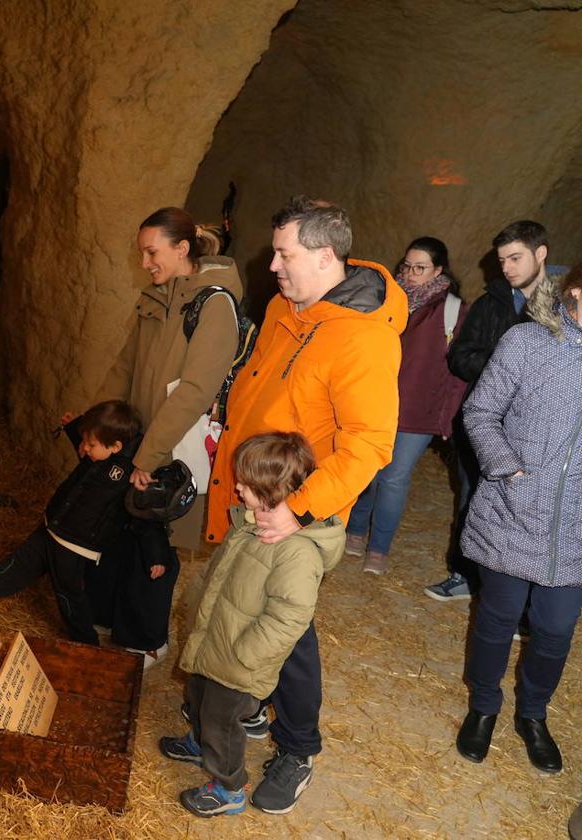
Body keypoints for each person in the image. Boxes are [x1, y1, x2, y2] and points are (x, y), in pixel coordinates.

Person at [204, 196, 405, 815]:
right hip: (253, 496)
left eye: (285, 254)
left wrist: (299, 508)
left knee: (290, 630)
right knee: (243, 606)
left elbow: (370, 445)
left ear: (324, 256)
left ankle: (298, 748)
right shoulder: (284, 307)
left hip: (292, 509)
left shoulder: (363, 340)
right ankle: (240, 713)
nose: (274, 267)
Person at [76, 207, 243, 664]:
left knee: (156, 541)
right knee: (125, 528)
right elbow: (125, 365)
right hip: (141, 439)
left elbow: (195, 390)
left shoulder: (214, 305)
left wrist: (149, 455)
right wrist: (96, 423)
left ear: (181, 248)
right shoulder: (157, 297)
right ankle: (110, 621)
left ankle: (147, 640)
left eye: (152, 252)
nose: (145, 262)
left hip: (171, 448)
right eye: (142, 254)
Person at [159, 432, 344, 817]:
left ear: (275, 492)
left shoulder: (297, 552)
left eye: (246, 483)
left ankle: (227, 789)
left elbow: (290, 615)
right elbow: (220, 572)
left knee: (222, 722)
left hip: (239, 660)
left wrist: (246, 653)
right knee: (199, 698)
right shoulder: (248, 524)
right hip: (216, 640)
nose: (238, 487)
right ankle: (199, 743)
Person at [453, 264, 582, 775]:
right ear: (576, 290)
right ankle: (483, 706)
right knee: (498, 618)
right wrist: (507, 469)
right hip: (514, 506)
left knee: (555, 628)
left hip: (575, 523)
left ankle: (533, 714)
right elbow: (480, 412)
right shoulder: (528, 341)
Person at [424, 221, 550, 601]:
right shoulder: (490, 303)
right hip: (485, 424)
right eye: (502, 260)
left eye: (516, 257)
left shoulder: (564, 306)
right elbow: (460, 356)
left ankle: (521, 599)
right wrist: (504, 368)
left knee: (530, 512)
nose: (508, 267)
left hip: (537, 429)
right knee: (472, 500)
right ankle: (463, 575)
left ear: (540, 253)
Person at [0, 400, 141, 646]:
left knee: (68, 595)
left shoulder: (127, 471)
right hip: (54, 527)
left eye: (90, 444)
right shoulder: (96, 455)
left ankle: (87, 644)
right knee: (18, 564)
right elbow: (87, 451)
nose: (85, 448)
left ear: (116, 446)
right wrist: (74, 430)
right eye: (84, 441)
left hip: (74, 544)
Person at [345, 237, 469, 574]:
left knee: (394, 478)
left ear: (438, 270)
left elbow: (457, 372)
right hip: (376, 401)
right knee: (368, 471)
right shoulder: (388, 298)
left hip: (418, 410)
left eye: (420, 268)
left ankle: (379, 548)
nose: (411, 274)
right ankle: (355, 530)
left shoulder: (452, 311)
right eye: (407, 266)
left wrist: (446, 418)